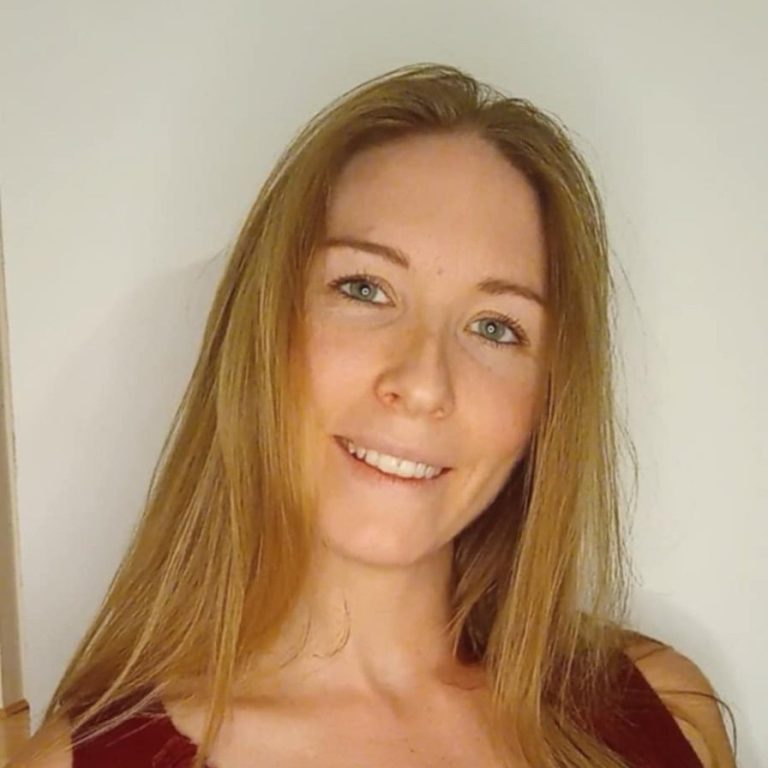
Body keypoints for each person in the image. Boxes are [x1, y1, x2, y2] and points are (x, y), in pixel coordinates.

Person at [10, 63, 736, 768]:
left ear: (548, 400)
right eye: (364, 288)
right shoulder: (83, 761)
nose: (422, 383)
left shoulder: (665, 713)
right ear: (263, 329)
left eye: (495, 327)